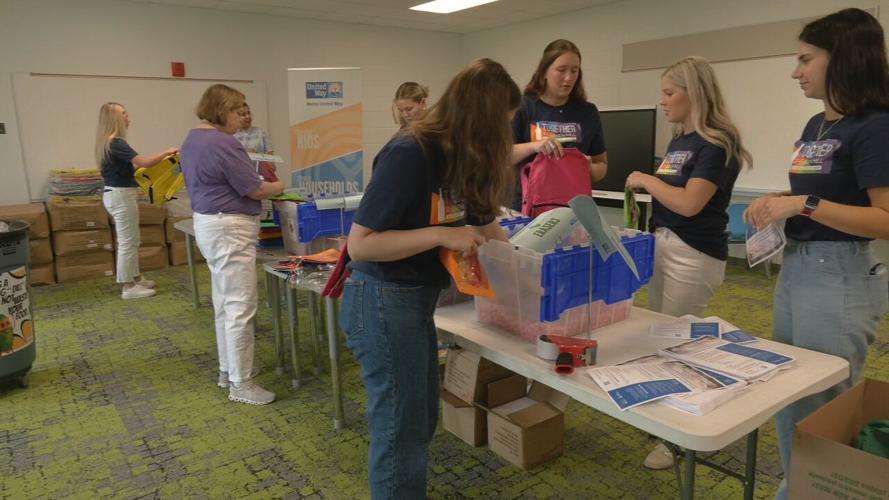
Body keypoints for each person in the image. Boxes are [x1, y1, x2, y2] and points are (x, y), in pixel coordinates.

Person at [341, 59, 519, 499]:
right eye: (502, 125)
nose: (505, 138)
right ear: (478, 119)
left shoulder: (461, 155)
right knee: (401, 432)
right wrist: (442, 234)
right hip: (382, 297)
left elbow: (485, 225)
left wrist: (529, 264)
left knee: (419, 421)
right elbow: (361, 245)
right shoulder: (411, 152)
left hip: (415, 300)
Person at [744, 9, 889, 498]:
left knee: (824, 402)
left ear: (843, 59)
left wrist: (804, 203)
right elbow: (813, 201)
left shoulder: (874, 126)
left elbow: (886, 219)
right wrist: (777, 207)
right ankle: (800, 487)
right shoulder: (817, 123)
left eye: (806, 59)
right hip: (800, 266)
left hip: (841, 274)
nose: (795, 71)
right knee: (793, 392)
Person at [625, 56, 752, 470]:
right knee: (662, 337)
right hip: (665, 244)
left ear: (692, 92)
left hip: (694, 253)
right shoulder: (681, 141)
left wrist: (646, 180)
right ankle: (672, 422)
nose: (662, 102)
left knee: (681, 343)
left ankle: (683, 441)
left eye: (668, 93)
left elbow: (689, 202)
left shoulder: (716, 143)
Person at [181, 84, 284, 405]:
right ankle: (242, 383)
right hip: (230, 227)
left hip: (210, 223)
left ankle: (229, 371)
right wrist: (278, 185)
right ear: (220, 110)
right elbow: (253, 189)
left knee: (225, 304)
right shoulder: (223, 143)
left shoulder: (192, 139)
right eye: (237, 112)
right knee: (241, 306)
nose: (242, 119)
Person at [511, 39, 608, 211]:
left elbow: (602, 165)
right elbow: (501, 156)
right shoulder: (523, 107)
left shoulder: (588, 112)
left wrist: (587, 167)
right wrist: (535, 146)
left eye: (574, 71)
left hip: (572, 208)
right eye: (561, 70)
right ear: (544, 72)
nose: (568, 78)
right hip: (526, 207)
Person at [94, 102, 178, 300]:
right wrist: (167, 152)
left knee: (132, 240)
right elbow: (144, 162)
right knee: (127, 242)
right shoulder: (116, 143)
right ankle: (128, 287)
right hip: (120, 196)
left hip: (119, 194)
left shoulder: (108, 143)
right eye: (124, 114)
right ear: (114, 119)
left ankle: (136, 278)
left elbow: (133, 168)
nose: (128, 118)